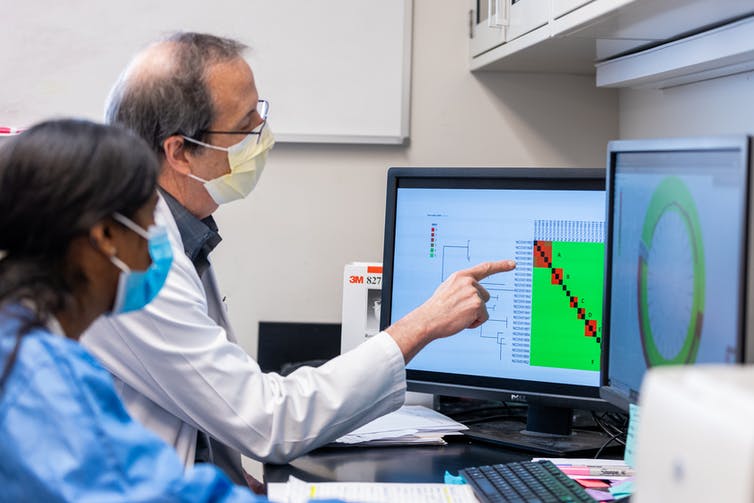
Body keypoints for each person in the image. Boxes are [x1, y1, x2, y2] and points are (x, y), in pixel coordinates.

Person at [82, 32, 516, 485]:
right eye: (245, 123)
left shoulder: (169, 230)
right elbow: (267, 422)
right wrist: (422, 325)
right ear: (180, 152)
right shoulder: (131, 261)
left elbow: (211, 407)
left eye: (260, 111)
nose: (262, 135)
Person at [0, 118, 266, 501]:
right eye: (150, 223)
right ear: (105, 237)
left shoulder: (27, 345)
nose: (160, 244)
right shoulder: (44, 375)